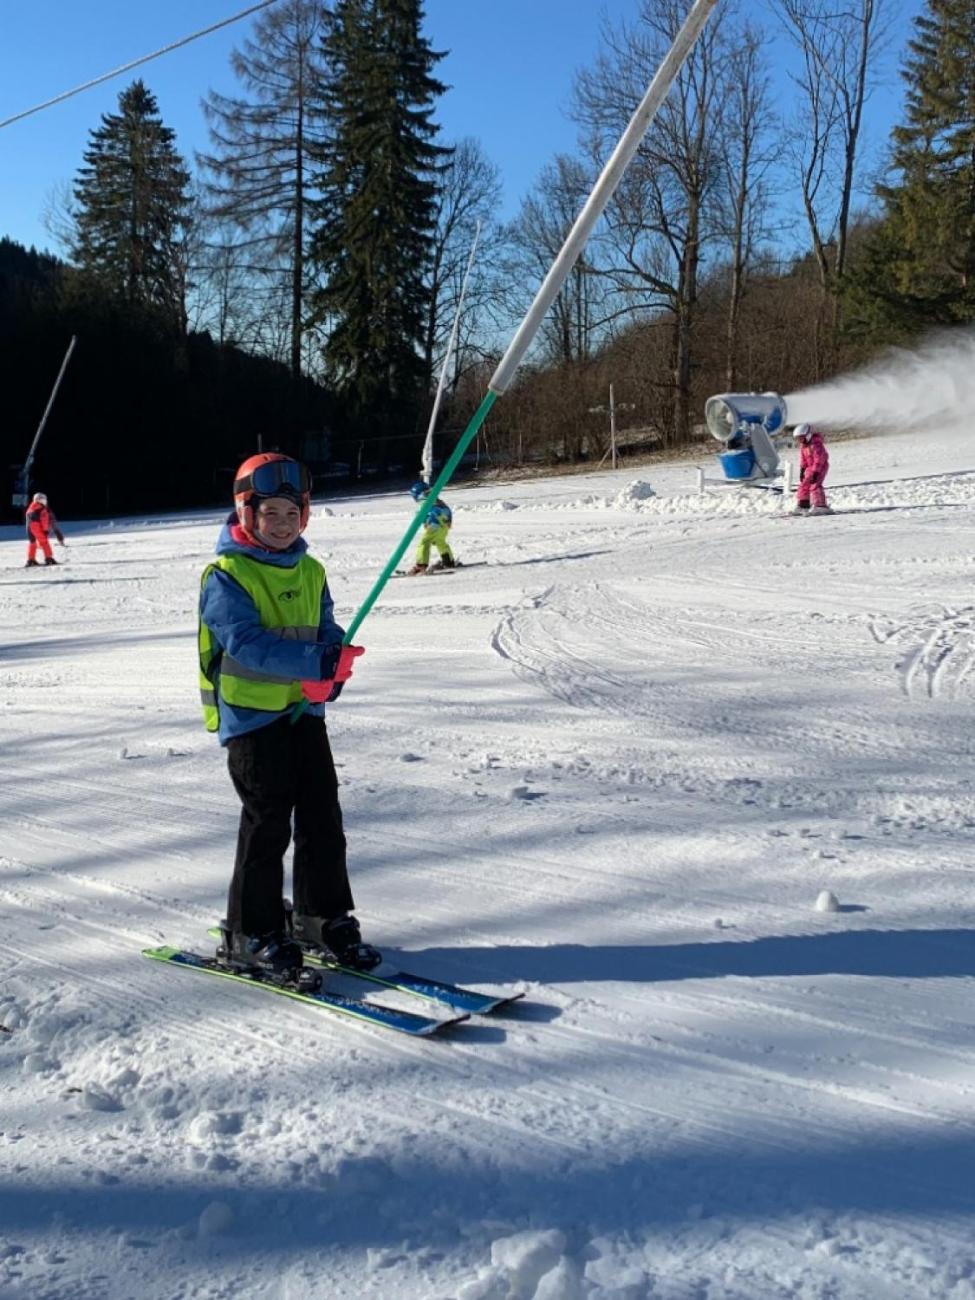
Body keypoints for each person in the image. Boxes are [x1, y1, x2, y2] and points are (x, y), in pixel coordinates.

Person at [198, 452, 376, 978]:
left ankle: (321, 915)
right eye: (269, 513)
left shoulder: (311, 569)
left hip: (303, 711)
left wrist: (335, 662)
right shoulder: (225, 575)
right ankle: (251, 929)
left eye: (291, 514)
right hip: (252, 720)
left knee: (323, 814)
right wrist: (314, 661)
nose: (281, 524)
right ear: (245, 513)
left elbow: (324, 629)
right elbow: (246, 644)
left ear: (305, 515)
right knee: (267, 822)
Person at [405, 480, 455, 575]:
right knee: (441, 543)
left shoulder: (427, 503)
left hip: (434, 527)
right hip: (443, 527)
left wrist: (423, 519)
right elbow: (446, 511)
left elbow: (427, 515)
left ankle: (421, 565)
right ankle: (448, 562)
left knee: (424, 542)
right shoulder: (437, 501)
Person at [791, 423, 832, 515]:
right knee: (803, 485)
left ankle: (820, 505)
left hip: (820, 467)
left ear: (808, 435)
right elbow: (803, 459)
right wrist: (802, 469)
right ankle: (803, 505)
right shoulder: (803, 446)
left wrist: (816, 472)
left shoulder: (816, 444)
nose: (800, 440)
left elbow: (819, 459)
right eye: (798, 439)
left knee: (815, 485)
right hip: (810, 468)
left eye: (801, 437)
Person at [24, 492, 65, 567]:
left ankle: (31, 559)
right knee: (45, 542)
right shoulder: (42, 509)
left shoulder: (30, 508)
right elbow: (44, 521)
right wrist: (45, 530)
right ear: (41, 500)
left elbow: (28, 520)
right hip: (36, 528)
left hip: (29, 528)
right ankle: (48, 558)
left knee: (32, 543)